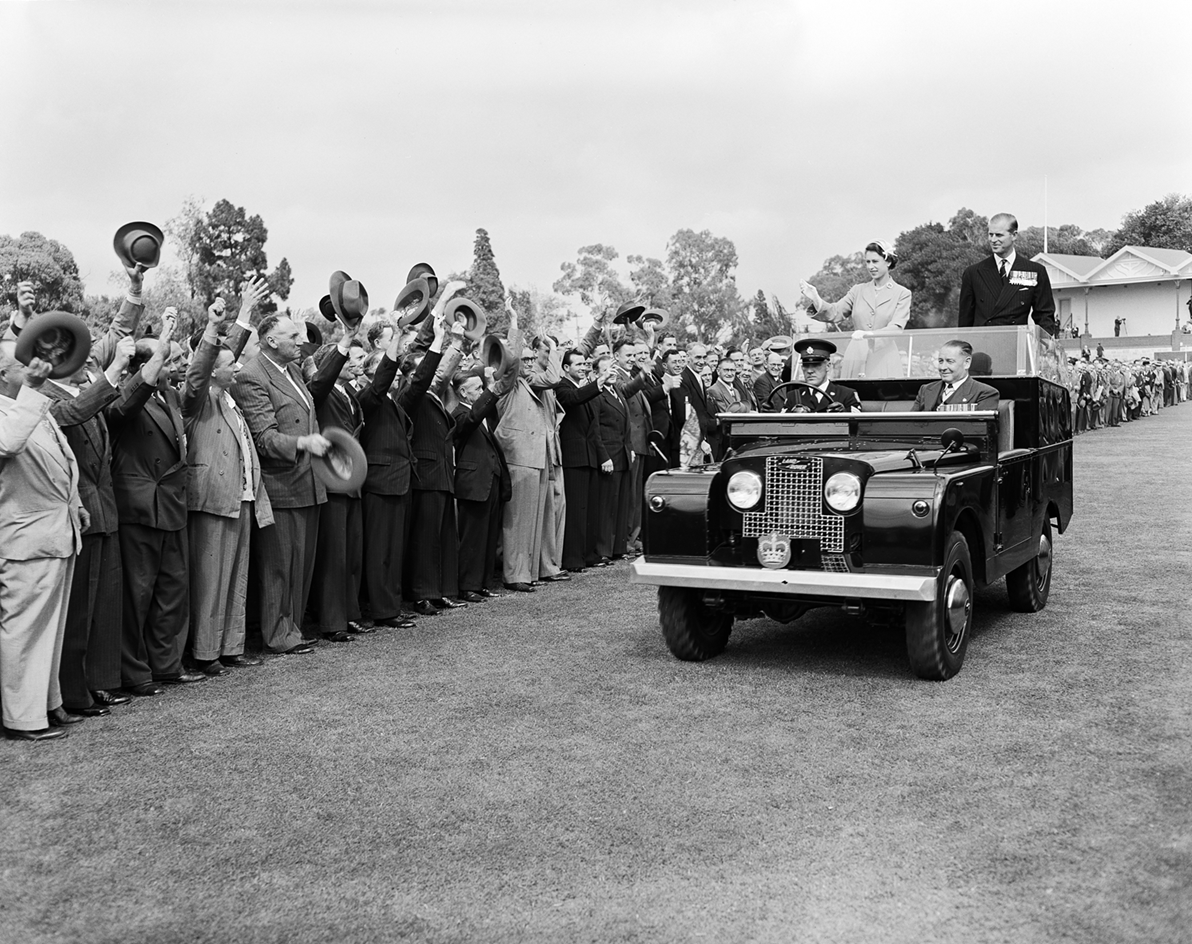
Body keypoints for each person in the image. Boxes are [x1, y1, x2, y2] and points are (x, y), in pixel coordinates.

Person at [108, 310, 209, 692]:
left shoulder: (170, 394)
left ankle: (166, 663)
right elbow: (128, 405)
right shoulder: (122, 394)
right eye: (168, 357)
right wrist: (162, 337)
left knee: (172, 588)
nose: (177, 363)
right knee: (138, 593)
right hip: (140, 506)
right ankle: (134, 672)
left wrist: (212, 334)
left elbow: (197, 385)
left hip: (170, 503)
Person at [183, 284, 273, 674]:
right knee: (210, 580)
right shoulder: (200, 398)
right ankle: (206, 653)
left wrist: (247, 310)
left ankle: (230, 646)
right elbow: (202, 369)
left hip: (241, 498)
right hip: (212, 497)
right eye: (229, 363)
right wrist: (225, 323)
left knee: (235, 577)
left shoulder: (230, 399)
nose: (236, 365)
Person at [233, 314, 333, 656]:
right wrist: (303, 444)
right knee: (280, 566)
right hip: (282, 485)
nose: (299, 340)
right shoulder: (251, 376)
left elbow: (307, 415)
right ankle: (278, 634)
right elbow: (264, 437)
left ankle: (293, 628)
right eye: (292, 335)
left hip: (308, 481)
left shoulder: (291, 371)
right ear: (271, 340)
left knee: (301, 564)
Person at [0, 353, 88, 740]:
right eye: (21, 363)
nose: (34, 367)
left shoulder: (29, 404)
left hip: (55, 533)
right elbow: (9, 445)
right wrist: (33, 391)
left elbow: (60, 462)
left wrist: (75, 504)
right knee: (23, 630)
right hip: (26, 539)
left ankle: (49, 704)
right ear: (4, 374)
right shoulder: (15, 408)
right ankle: (22, 718)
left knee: (49, 628)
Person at [800, 241, 911, 378]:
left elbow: (896, 327)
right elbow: (836, 312)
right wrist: (817, 300)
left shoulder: (902, 293)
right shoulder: (857, 290)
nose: (871, 267)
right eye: (868, 262)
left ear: (888, 262)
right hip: (856, 356)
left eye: (875, 261)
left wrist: (869, 334)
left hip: (884, 358)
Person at [958, 213, 1057, 337]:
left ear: (1014, 235)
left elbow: (1044, 316)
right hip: (982, 347)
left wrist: (1045, 344)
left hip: (1015, 346)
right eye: (990, 234)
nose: (993, 240)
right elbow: (965, 322)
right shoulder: (973, 273)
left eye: (999, 235)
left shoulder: (1035, 271)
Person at [911, 340, 1000, 411]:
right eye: (941, 361)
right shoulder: (925, 390)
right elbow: (909, 425)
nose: (943, 367)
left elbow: (979, 430)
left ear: (966, 363)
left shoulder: (985, 394)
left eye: (950, 361)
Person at [780, 339, 861, 413]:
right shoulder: (793, 397)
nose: (810, 371)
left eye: (816, 365)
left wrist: (844, 414)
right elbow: (780, 426)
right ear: (802, 367)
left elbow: (860, 425)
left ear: (828, 366)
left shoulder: (846, 395)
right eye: (806, 365)